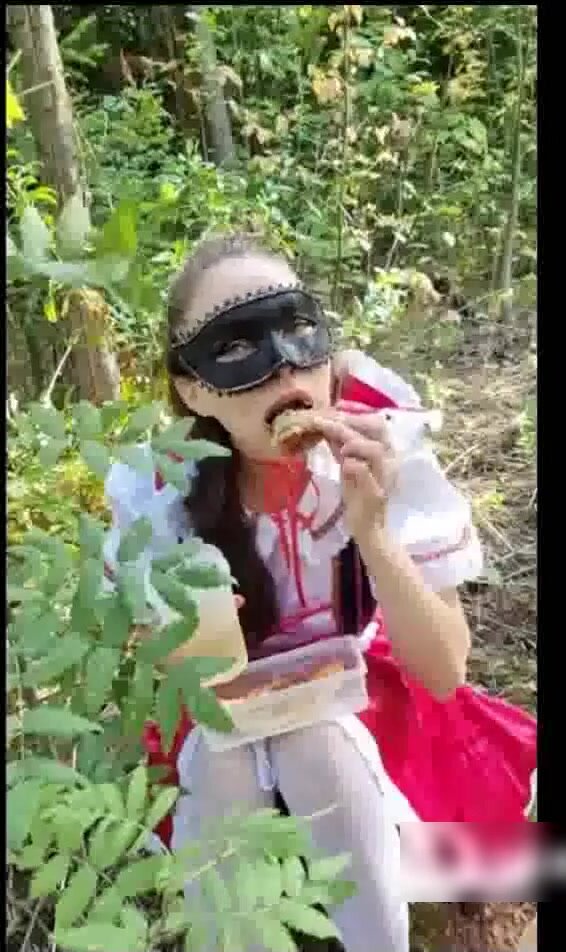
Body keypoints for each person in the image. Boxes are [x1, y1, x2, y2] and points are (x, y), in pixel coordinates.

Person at [103, 233, 537, 952]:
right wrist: (185, 638)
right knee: (223, 757)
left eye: (298, 329)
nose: (284, 367)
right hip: (226, 722)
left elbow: (444, 672)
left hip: (374, 704)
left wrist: (374, 531)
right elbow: (160, 671)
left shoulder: (381, 439)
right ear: (194, 389)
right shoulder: (161, 492)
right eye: (236, 347)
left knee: (318, 740)